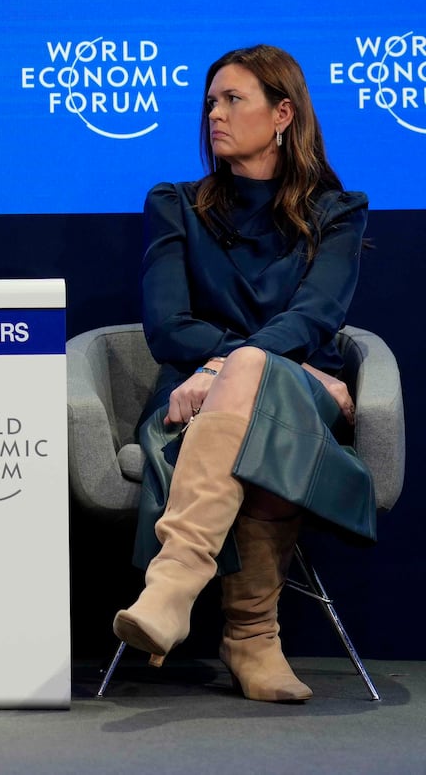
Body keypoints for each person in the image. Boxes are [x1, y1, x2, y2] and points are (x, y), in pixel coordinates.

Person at [113, 44, 373, 703]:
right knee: (258, 380)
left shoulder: (337, 213)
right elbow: (167, 326)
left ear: (283, 112)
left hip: (285, 396)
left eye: (233, 99)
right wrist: (249, 365)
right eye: (210, 102)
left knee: (259, 369)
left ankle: (175, 585)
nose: (215, 114)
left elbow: (316, 315)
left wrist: (228, 363)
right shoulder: (175, 203)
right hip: (215, 401)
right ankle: (251, 633)